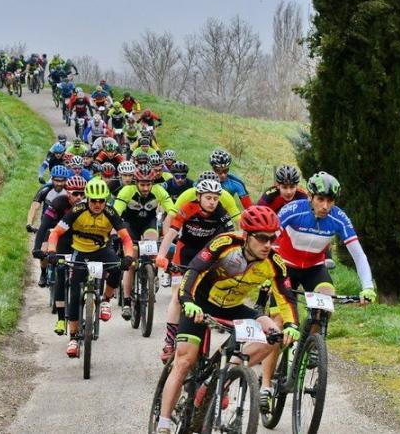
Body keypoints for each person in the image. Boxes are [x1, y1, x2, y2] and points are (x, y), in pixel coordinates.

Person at [155, 207, 299, 434]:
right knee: (184, 360)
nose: (268, 244)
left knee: (274, 336)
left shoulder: (273, 261)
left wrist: (291, 325)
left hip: (234, 307)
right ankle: (163, 422)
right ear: (247, 235)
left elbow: (286, 297)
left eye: (273, 238)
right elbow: (194, 271)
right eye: (262, 238)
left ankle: (224, 379)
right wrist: (188, 301)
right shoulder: (224, 244)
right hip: (201, 302)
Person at [258, 171, 377, 410]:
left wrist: (367, 287)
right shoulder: (294, 210)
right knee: (279, 322)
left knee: (326, 299)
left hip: (314, 268)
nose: (325, 206)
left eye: (330, 201)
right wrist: (263, 272)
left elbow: (358, 254)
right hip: (285, 268)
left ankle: (312, 343)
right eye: (321, 199)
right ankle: (266, 385)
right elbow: (270, 240)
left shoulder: (339, 218)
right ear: (310, 196)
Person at [46, 180, 134, 357]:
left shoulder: (110, 212)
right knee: (75, 294)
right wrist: (52, 252)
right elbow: (55, 233)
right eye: (93, 200)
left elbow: (126, 238)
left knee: (117, 268)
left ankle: (106, 301)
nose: (97, 204)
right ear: (87, 199)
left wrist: (129, 256)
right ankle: (72, 338)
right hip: (80, 252)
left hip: (102, 251)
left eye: (101, 201)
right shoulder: (76, 211)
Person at [155, 179, 234, 361]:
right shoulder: (188, 208)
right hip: (185, 252)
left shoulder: (221, 212)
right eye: (208, 197)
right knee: (177, 295)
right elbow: (172, 234)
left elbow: (231, 238)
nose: (212, 202)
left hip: (207, 253)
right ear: (199, 197)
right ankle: (169, 340)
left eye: (215, 198)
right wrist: (161, 255)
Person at [113, 164, 175, 319]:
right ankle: (127, 301)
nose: (146, 188)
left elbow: (173, 210)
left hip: (148, 224)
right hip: (130, 225)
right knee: (131, 260)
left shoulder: (159, 190)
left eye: (148, 184)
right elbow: (115, 212)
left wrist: (174, 225)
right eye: (142, 184)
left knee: (153, 248)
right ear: (136, 183)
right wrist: (113, 231)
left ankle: (151, 275)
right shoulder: (127, 191)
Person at [32, 176, 87, 335]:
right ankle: (61, 319)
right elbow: (44, 227)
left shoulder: (88, 205)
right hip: (62, 239)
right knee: (61, 273)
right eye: (75, 194)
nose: (79, 197)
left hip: (80, 241)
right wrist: (37, 248)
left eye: (82, 194)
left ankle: (88, 302)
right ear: (68, 193)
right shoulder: (58, 203)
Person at [26, 165, 69, 285]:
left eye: (62, 180)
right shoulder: (46, 189)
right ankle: (43, 273)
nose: (59, 183)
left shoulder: (70, 191)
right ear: (52, 179)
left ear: (66, 180)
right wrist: (29, 222)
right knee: (43, 249)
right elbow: (34, 207)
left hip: (64, 222)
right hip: (48, 221)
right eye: (56, 180)